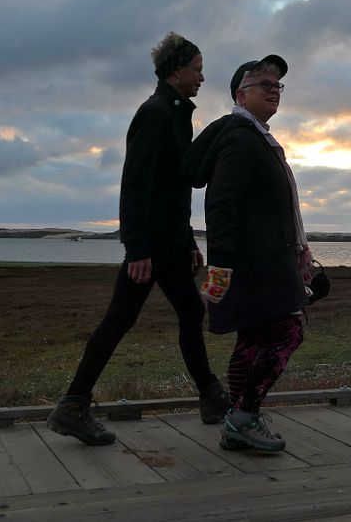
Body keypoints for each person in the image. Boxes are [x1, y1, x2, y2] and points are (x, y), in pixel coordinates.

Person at [47, 32, 228, 446]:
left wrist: (187, 242)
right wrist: (137, 248)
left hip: (168, 244)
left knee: (186, 312)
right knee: (120, 320)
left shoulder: (175, 113)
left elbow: (173, 189)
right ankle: (73, 404)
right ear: (177, 71)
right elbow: (135, 185)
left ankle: (210, 396)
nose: (202, 77)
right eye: (197, 69)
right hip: (151, 247)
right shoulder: (155, 113)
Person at [182, 54, 311, 452]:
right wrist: (221, 268)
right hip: (252, 266)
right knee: (290, 331)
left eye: (277, 86)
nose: (274, 91)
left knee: (252, 339)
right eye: (264, 84)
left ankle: (238, 419)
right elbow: (220, 203)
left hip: (266, 260)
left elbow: (275, 206)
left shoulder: (257, 137)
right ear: (241, 93)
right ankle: (243, 415)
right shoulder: (241, 137)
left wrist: (300, 248)